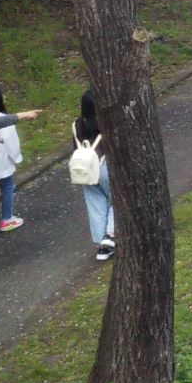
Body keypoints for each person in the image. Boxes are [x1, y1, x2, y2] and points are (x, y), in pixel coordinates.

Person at [0, 87, 41, 233]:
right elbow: (11, 143)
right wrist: (16, 157)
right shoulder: (1, 118)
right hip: (1, 162)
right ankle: (7, 219)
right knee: (7, 187)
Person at [74, 92, 116, 261]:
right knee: (117, 200)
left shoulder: (77, 125)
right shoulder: (106, 123)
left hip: (85, 169)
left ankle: (101, 245)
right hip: (105, 165)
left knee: (95, 204)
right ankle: (111, 234)